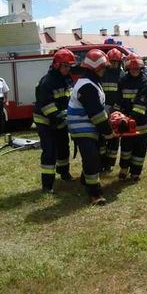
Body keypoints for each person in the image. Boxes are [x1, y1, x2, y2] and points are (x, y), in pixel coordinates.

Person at [67, 49, 116, 206]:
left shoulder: (91, 82)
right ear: (95, 68)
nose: (105, 70)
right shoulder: (87, 86)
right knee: (92, 158)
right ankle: (95, 194)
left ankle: (85, 179)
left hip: (89, 126)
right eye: (103, 67)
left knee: (98, 154)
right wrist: (109, 132)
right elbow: (97, 114)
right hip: (82, 128)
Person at [33, 49, 77, 193]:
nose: (68, 69)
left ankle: (64, 173)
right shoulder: (47, 82)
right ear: (57, 65)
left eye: (70, 66)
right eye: (66, 66)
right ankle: (47, 185)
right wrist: (59, 118)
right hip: (46, 122)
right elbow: (47, 106)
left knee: (64, 148)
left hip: (60, 121)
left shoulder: (67, 79)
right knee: (49, 151)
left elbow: (69, 98)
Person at [116, 53, 147, 181]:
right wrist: (116, 114)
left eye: (137, 69)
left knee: (140, 150)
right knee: (126, 148)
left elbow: (140, 106)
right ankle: (123, 169)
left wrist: (127, 119)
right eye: (133, 69)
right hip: (126, 122)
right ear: (127, 69)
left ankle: (135, 172)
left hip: (143, 123)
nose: (135, 71)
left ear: (141, 69)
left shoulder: (144, 82)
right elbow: (119, 99)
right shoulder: (123, 81)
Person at [100, 48, 125, 172]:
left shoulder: (122, 76)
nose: (114, 64)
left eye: (117, 61)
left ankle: (109, 163)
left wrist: (115, 109)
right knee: (102, 137)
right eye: (112, 61)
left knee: (115, 138)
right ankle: (101, 161)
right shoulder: (102, 74)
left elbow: (122, 96)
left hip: (116, 111)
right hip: (102, 110)